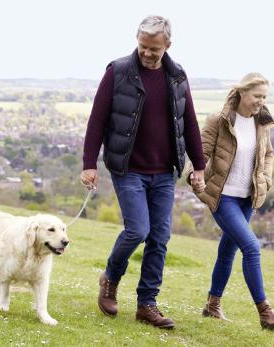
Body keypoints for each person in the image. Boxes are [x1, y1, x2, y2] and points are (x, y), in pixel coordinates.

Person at [80, 15, 206, 329]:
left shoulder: (177, 76)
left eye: (154, 49)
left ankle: (147, 304)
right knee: (138, 230)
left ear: (168, 46)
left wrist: (199, 166)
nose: (147, 53)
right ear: (137, 41)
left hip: (164, 171)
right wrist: (88, 164)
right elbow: (97, 119)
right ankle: (110, 278)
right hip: (128, 168)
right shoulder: (118, 71)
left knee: (160, 238)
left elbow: (188, 123)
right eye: (143, 47)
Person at [188, 72, 274, 330]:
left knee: (227, 251)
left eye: (264, 96)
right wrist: (194, 175)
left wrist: (265, 179)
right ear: (242, 93)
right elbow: (200, 153)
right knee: (252, 248)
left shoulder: (262, 122)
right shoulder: (220, 120)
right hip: (223, 196)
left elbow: (268, 154)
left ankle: (212, 305)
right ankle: (265, 312)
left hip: (247, 198)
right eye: (257, 96)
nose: (261, 101)